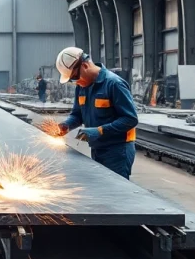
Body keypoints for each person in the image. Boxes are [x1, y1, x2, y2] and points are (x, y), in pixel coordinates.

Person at [52, 46, 139, 179]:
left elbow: (130, 119)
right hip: (97, 148)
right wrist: (66, 125)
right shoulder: (82, 87)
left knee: (116, 193)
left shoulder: (114, 84)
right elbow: (77, 114)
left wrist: (99, 131)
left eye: (75, 77)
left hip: (118, 150)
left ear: (85, 66)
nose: (76, 82)